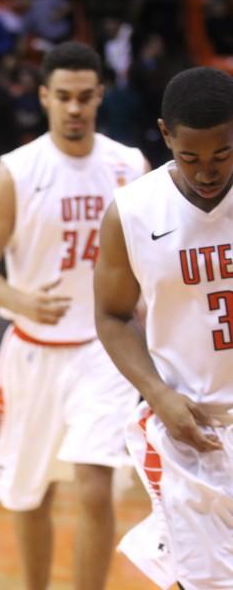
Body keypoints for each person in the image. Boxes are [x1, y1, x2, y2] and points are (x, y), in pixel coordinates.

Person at [0, 41, 149, 590]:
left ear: (99, 97)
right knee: (29, 492)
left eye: (84, 97)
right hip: (33, 351)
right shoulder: (19, 171)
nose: (74, 108)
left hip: (103, 349)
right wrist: (22, 301)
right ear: (44, 96)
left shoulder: (128, 165)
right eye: (63, 96)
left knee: (94, 483)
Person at [94, 66, 233, 590]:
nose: (206, 172)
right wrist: (155, 392)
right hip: (192, 427)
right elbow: (110, 314)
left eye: (222, 154)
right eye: (190, 157)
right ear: (165, 134)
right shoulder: (131, 211)